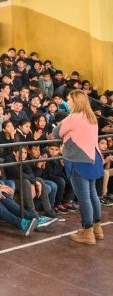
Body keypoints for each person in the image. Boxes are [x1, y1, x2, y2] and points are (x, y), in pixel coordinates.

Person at [53, 90, 104, 244]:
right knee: (93, 193)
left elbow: (56, 133)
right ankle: (97, 228)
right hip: (94, 158)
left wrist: (66, 119)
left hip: (79, 160)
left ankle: (87, 232)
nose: (67, 102)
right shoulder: (92, 117)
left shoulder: (74, 117)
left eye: (69, 99)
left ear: (75, 102)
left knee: (83, 196)